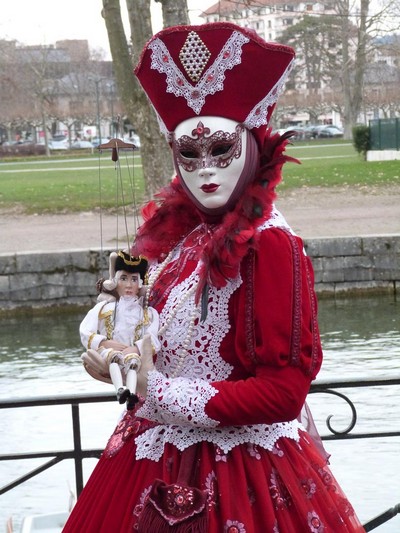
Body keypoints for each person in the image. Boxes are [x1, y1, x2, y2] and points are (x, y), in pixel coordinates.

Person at [63, 22, 365, 532]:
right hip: (149, 458)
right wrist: (114, 351)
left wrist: (155, 391)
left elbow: (283, 393)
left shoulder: (270, 244)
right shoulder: (181, 238)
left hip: (241, 476)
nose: (207, 170)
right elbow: (154, 335)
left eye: (221, 149)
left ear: (253, 142)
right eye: (190, 154)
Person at [79, 250, 160, 409]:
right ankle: (120, 389)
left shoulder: (147, 313)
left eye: (134, 279)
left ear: (140, 284)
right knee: (113, 357)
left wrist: (137, 347)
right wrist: (104, 342)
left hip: (132, 354)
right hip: (107, 352)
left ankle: (130, 393)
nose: (129, 285)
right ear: (116, 282)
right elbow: (85, 330)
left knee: (133, 363)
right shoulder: (104, 308)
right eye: (124, 279)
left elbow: (153, 338)